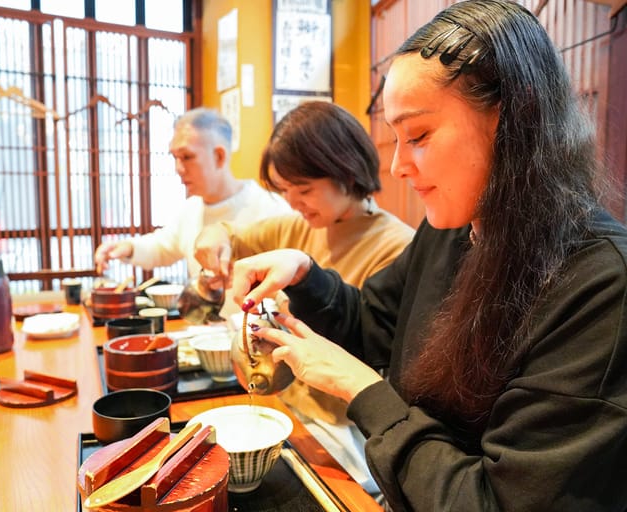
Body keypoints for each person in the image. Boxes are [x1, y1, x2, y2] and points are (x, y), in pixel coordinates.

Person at [227, 1, 627, 510]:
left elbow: (495, 501)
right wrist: (305, 277)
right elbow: (374, 322)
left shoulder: (600, 285)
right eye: (395, 138)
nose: (396, 166)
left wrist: (363, 392)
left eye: (417, 135)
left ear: (513, 121)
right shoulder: (453, 230)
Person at [193, 100, 415, 495]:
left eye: (304, 189)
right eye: (284, 190)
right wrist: (215, 238)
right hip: (286, 409)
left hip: (342, 430)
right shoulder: (298, 226)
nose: (293, 202)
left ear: (345, 170)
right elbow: (232, 232)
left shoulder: (395, 247)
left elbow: (372, 354)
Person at [93, 107, 291, 277]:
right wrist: (127, 248)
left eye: (187, 157)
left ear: (219, 157)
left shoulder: (272, 209)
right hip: (203, 322)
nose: (178, 168)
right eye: (175, 158)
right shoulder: (192, 209)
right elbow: (162, 246)